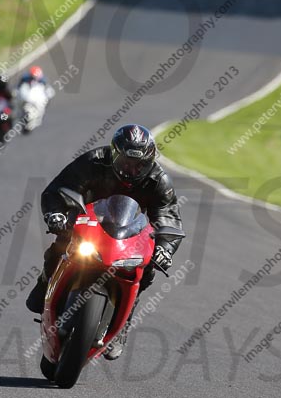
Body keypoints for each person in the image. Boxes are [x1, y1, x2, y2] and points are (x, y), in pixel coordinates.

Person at [25, 124, 185, 359]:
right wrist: (56, 213)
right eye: (125, 163)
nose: (131, 169)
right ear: (114, 155)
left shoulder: (158, 179)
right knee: (61, 245)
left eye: (139, 165)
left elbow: (168, 216)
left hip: (129, 234)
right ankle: (44, 283)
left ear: (149, 161)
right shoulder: (94, 161)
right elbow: (60, 188)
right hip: (87, 222)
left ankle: (123, 325)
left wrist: (164, 248)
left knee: (147, 270)